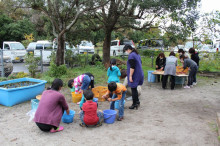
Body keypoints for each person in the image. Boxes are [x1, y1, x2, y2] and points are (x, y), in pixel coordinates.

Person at [123, 44, 144, 110]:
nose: (126, 52)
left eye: (126, 50)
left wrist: (130, 76)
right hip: (139, 73)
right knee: (134, 88)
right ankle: (137, 102)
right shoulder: (137, 54)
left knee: (133, 89)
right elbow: (140, 62)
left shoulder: (131, 55)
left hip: (135, 74)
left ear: (129, 49)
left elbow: (132, 67)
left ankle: (134, 104)